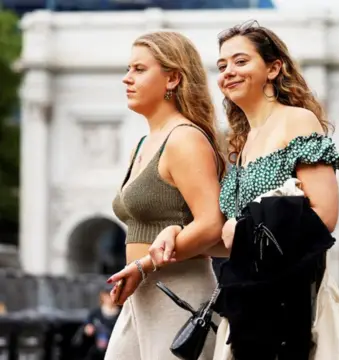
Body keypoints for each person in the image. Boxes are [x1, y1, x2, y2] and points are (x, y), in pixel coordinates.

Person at [150, 19, 339, 359]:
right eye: (222, 65)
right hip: (246, 304)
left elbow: (324, 216)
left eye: (241, 61)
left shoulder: (296, 120)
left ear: (273, 68)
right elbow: (229, 242)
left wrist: (243, 229)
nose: (228, 72)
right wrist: (174, 233)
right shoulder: (241, 143)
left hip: (291, 302)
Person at [103, 30, 228, 360]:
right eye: (129, 69)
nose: (126, 79)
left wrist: (143, 266)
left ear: (172, 78)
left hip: (178, 296)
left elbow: (211, 224)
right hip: (141, 297)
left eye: (139, 70)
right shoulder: (143, 144)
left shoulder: (185, 139)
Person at [78, 286, 121, 360]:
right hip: (96, 351)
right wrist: (88, 329)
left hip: (115, 351)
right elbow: (86, 328)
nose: (109, 298)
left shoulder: (121, 314)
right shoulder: (95, 313)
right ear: (103, 296)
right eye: (107, 295)